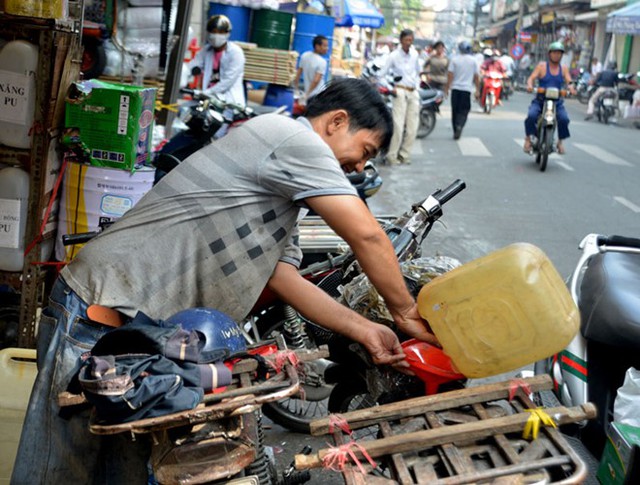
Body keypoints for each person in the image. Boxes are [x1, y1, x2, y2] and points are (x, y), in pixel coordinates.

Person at [12, 77, 437, 483]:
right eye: (364, 150)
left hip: (140, 336)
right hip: (100, 312)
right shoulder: (295, 140)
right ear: (337, 121)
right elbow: (366, 233)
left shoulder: (287, 190)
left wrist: (367, 330)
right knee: (59, 469)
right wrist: (404, 312)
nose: (361, 166)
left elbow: (285, 278)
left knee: (121, 470)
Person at [523, 42, 576, 154]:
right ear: (549, 54)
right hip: (541, 100)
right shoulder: (541, 66)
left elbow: (569, 81)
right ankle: (528, 139)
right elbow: (531, 78)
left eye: (559, 53)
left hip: (557, 101)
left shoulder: (564, 69)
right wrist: (529, 85)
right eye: (554, 53)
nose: (557, 55)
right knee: (531, 116)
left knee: (564, 119)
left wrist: (571, 88)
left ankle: (560, 142)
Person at [380, 29, 422, 165]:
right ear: (401, 40)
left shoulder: (415, 55)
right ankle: (391, 156)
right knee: (398, 126)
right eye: (407, 40)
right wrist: (392, 89)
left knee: (413, 127)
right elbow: (381, 75)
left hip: (413, 92)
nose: (409, 43)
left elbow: (417, 73)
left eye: (411, 40)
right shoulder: (393, 56)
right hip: (399, 91)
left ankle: (404, 154)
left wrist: (417, 86)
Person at [188, 14, 245, 107]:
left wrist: (207, 92)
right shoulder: (206, 51)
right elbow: (193, 65)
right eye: (214, 32)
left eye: (220, 32)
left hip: (229, 101)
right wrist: (184, 75)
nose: (216, 35)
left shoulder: (236, 53)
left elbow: (227, 81)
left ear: (227, 33)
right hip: (208, 99)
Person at [445, 40, 480, 140]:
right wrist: (477, 90)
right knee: (464, 110)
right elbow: (476, 76)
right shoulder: (473, 61)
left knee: (455, 110)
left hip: (455, 89)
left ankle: (456, 129)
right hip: (466, 89)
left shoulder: (454, 60)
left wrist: (447, 88)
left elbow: (450, 75)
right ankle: (460, 125)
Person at [293, 34, 329, 105]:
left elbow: (298, 73)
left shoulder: (304, 55)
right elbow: (316, 81)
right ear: (317, 46)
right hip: (319, 94)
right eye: (324, 46)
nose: (327, 48)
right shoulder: (322, 62)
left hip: (308, 94)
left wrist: (296, 89)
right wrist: (307, 94)